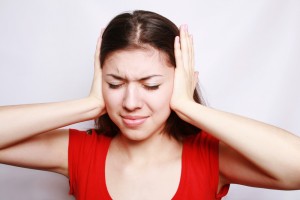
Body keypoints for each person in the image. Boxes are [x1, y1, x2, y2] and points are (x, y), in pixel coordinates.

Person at [0, 10, 300, 200]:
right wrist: (89, 105)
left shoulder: (210, 157)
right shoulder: (80, 153)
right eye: (115, 84)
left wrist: (189, 106)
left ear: (181, 81)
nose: (130, 102)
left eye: (151, 85)